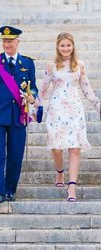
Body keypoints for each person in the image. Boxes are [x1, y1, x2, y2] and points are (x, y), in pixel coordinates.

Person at [0, 26, 38, 204]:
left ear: (17, 41)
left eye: (10, 41)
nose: (7, 44)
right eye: (4, 41)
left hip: (18, 114)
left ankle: (10, 190)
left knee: (16, 153)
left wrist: (32, 95)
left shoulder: (27, 63)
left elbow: (33, 86)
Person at [36, 32, 100, 202]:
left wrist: (98, 104)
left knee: (74, 148)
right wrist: (33, 105)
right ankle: (59, 172)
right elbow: (43, 88)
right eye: (62, 45)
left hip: (74, 110)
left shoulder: (79, 65)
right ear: (58, 47)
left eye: (68, 45)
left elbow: (86, 89)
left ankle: (72, 187)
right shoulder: (51, 66)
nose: (65, 48)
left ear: (73, 46)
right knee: (56, 148)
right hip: (56, 110)